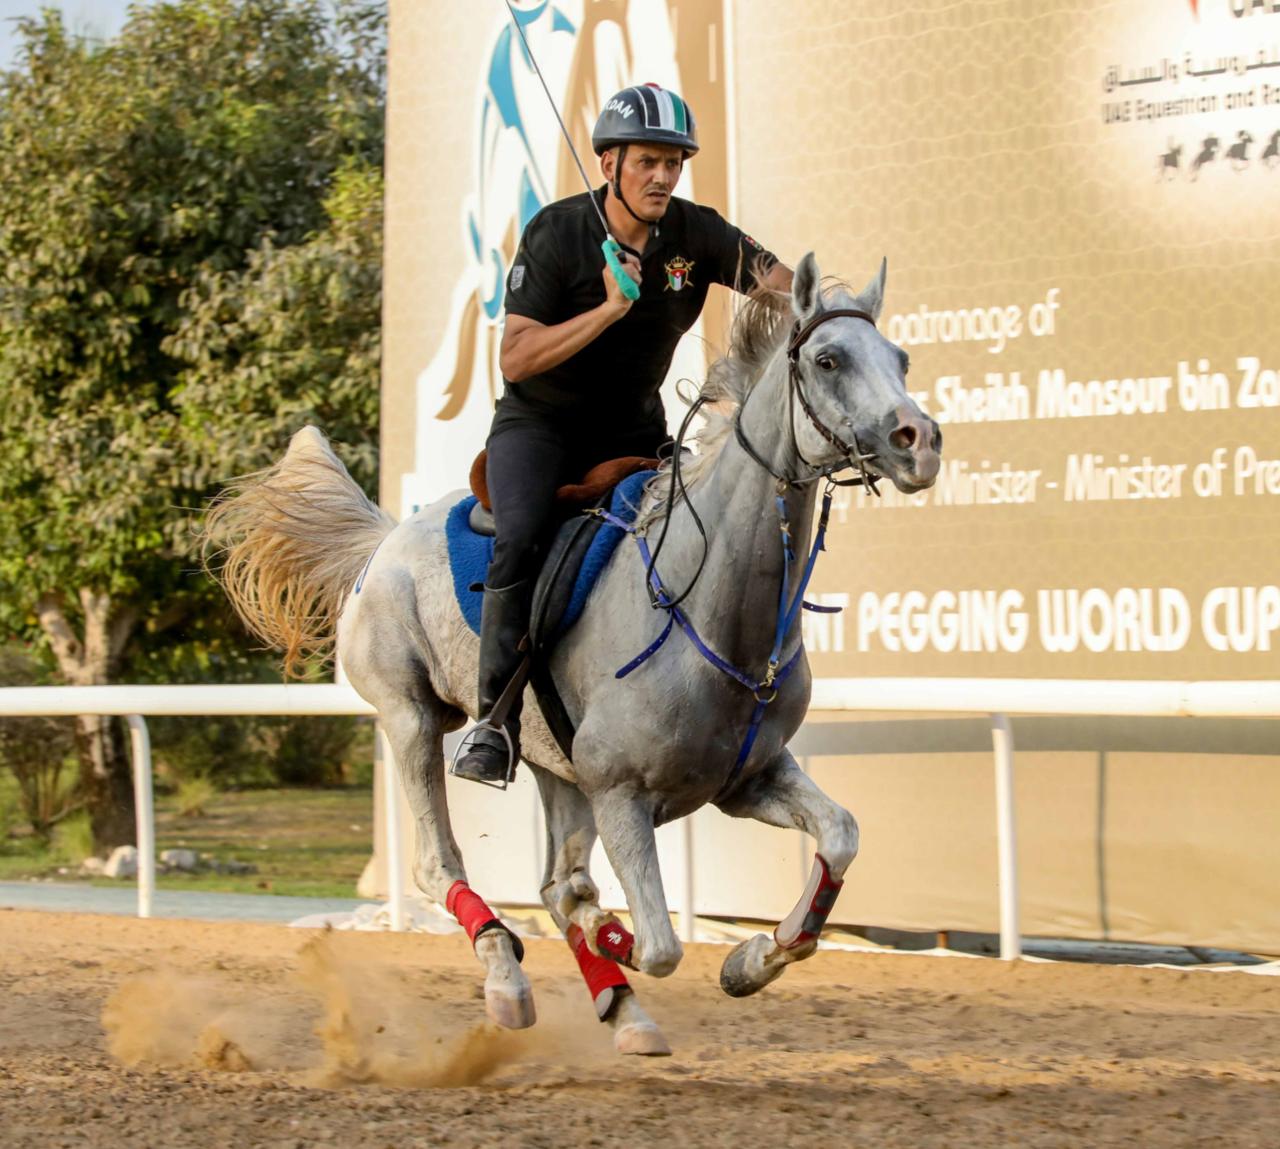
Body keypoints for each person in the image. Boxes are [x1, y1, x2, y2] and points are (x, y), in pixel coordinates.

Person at [453, 82, 793, 786]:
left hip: (635, 429)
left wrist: (833, 315)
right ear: (609, 163)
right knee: (519, 534)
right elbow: (514, 356)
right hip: (539, 426)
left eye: (674, 163)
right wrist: (609, 309)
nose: (664, 176)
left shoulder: (696, 233)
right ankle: (492, 721)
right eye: (648, 161)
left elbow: (782, 283)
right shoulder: (556, 232)